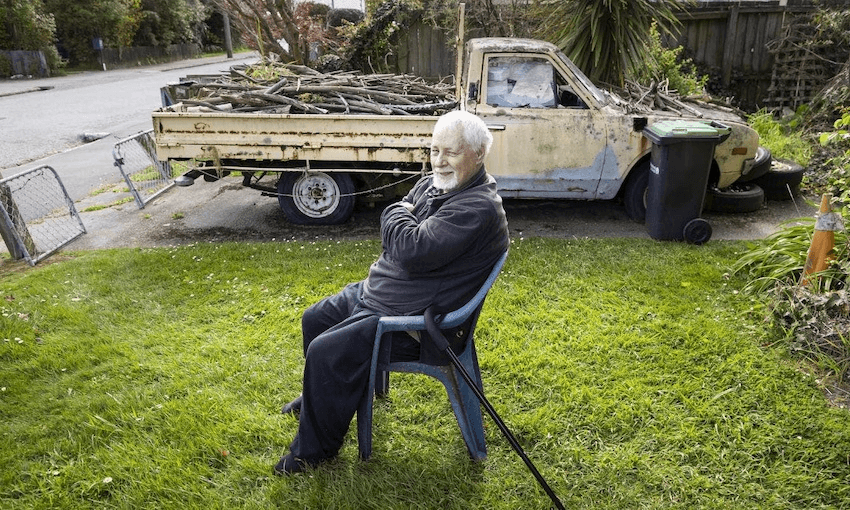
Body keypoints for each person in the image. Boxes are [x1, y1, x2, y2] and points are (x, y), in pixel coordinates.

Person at [274, 110, 510, 475]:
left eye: (450, 152)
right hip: (384, 294)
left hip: (412, 324)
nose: (439, 161)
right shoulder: (440, 183)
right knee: (315, 318)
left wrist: (396, 212)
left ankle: (313, 452)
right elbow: (406, 241)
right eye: (434, 151)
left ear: (478, 154)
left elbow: (411, 249)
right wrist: (404, 223)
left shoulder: (476, 206)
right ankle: (317, 401)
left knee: (325, 352)